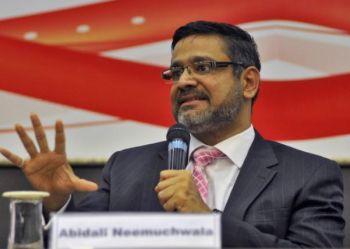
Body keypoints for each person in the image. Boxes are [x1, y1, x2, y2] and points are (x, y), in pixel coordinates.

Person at [0, 21, 345, 247]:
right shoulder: (125, 168)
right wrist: (58, 206)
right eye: (176, 71)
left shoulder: (309, 175)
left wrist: (206, 223)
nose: (183, 81)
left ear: (249, 82)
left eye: (203, 67)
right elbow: (73, 244)